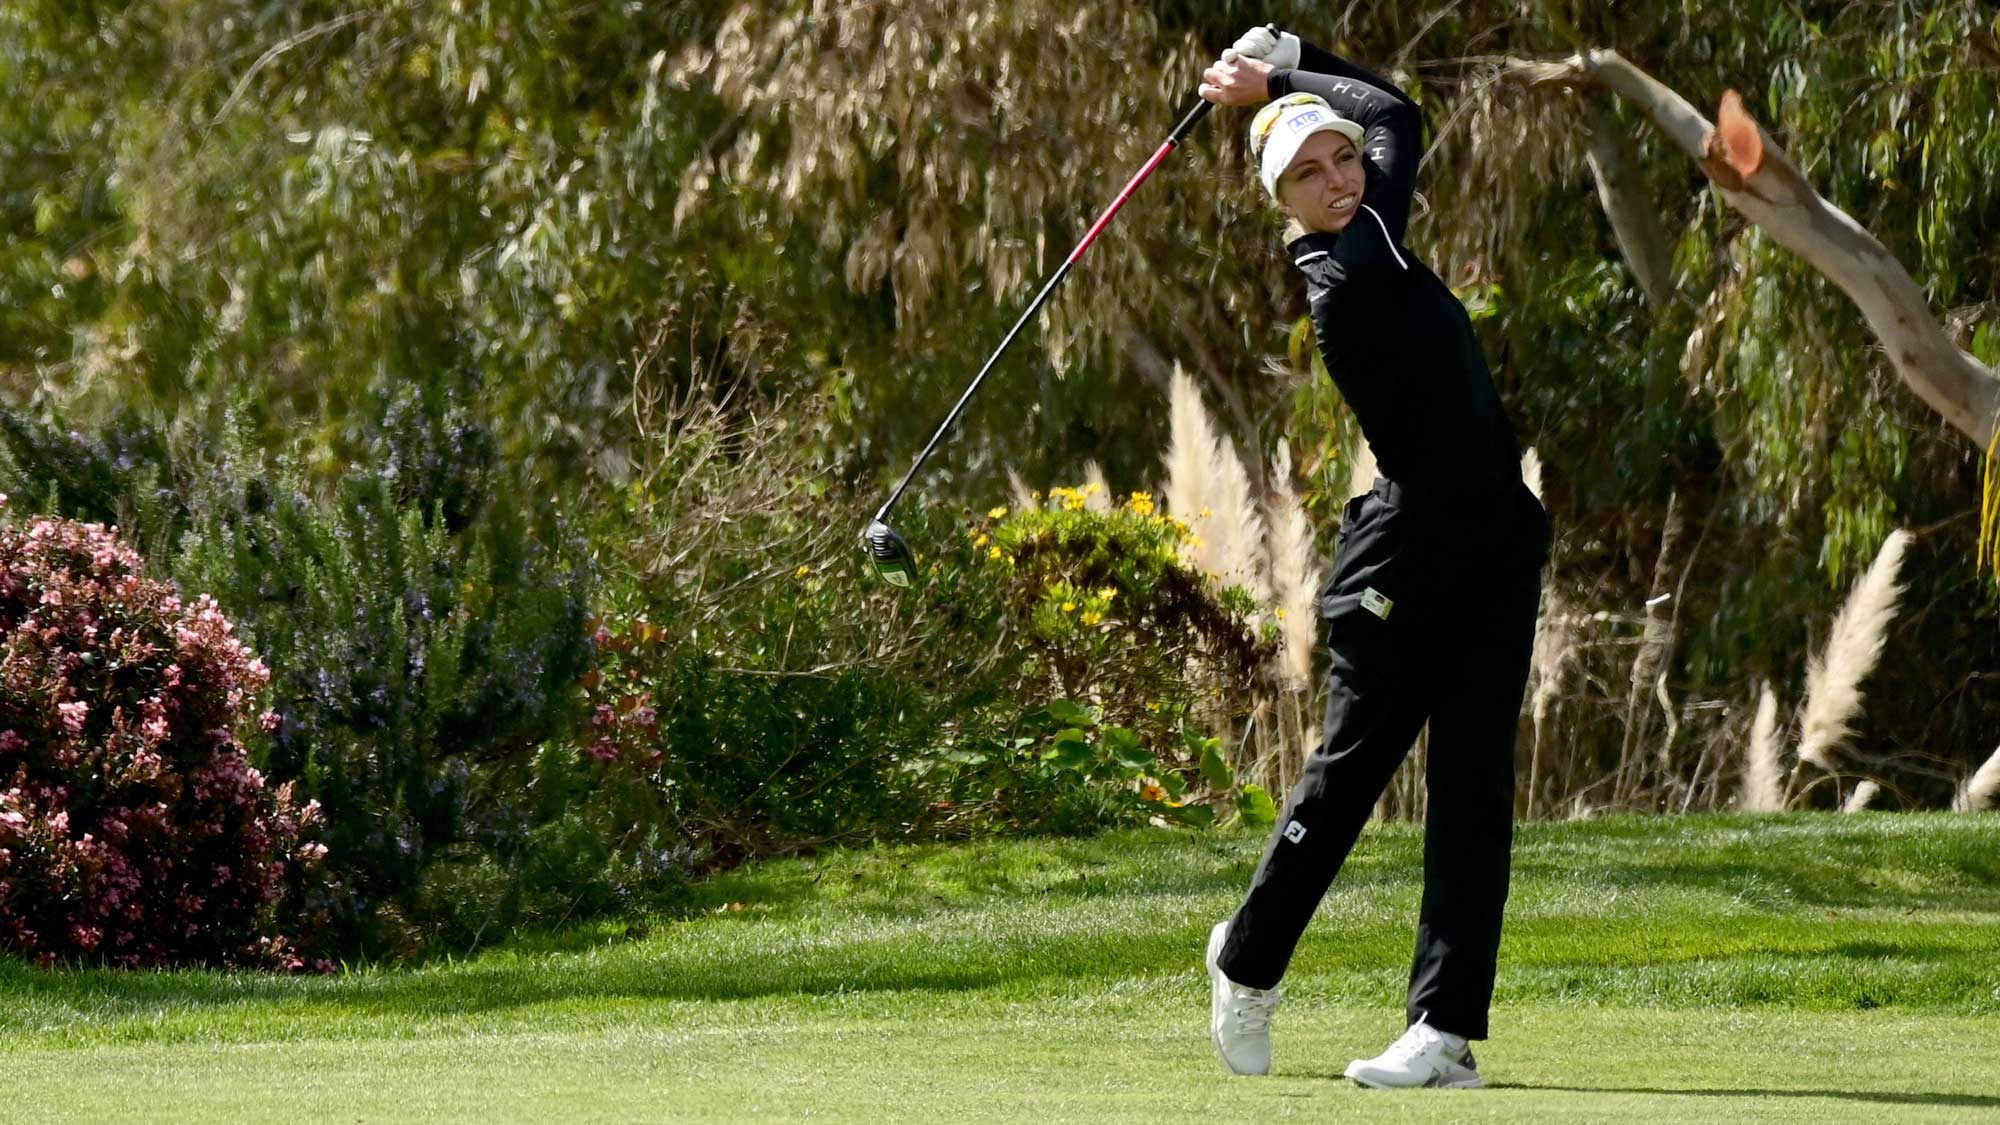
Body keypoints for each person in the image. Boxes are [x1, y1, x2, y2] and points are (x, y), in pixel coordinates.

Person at [1194, 26, 1552, 1090]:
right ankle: (1247, 961)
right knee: (1351, 774)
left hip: (1494, 539)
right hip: (1400, 558)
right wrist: (1283, 75)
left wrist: (1293, 54)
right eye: (1308, 172)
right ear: (1282, 202)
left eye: (1340, 158)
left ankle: (1441, 1031)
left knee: (1473, 786)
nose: (1339, 177)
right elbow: (1396, 112)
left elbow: (1382, 118)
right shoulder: (1348, 269)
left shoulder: (1371, 231)